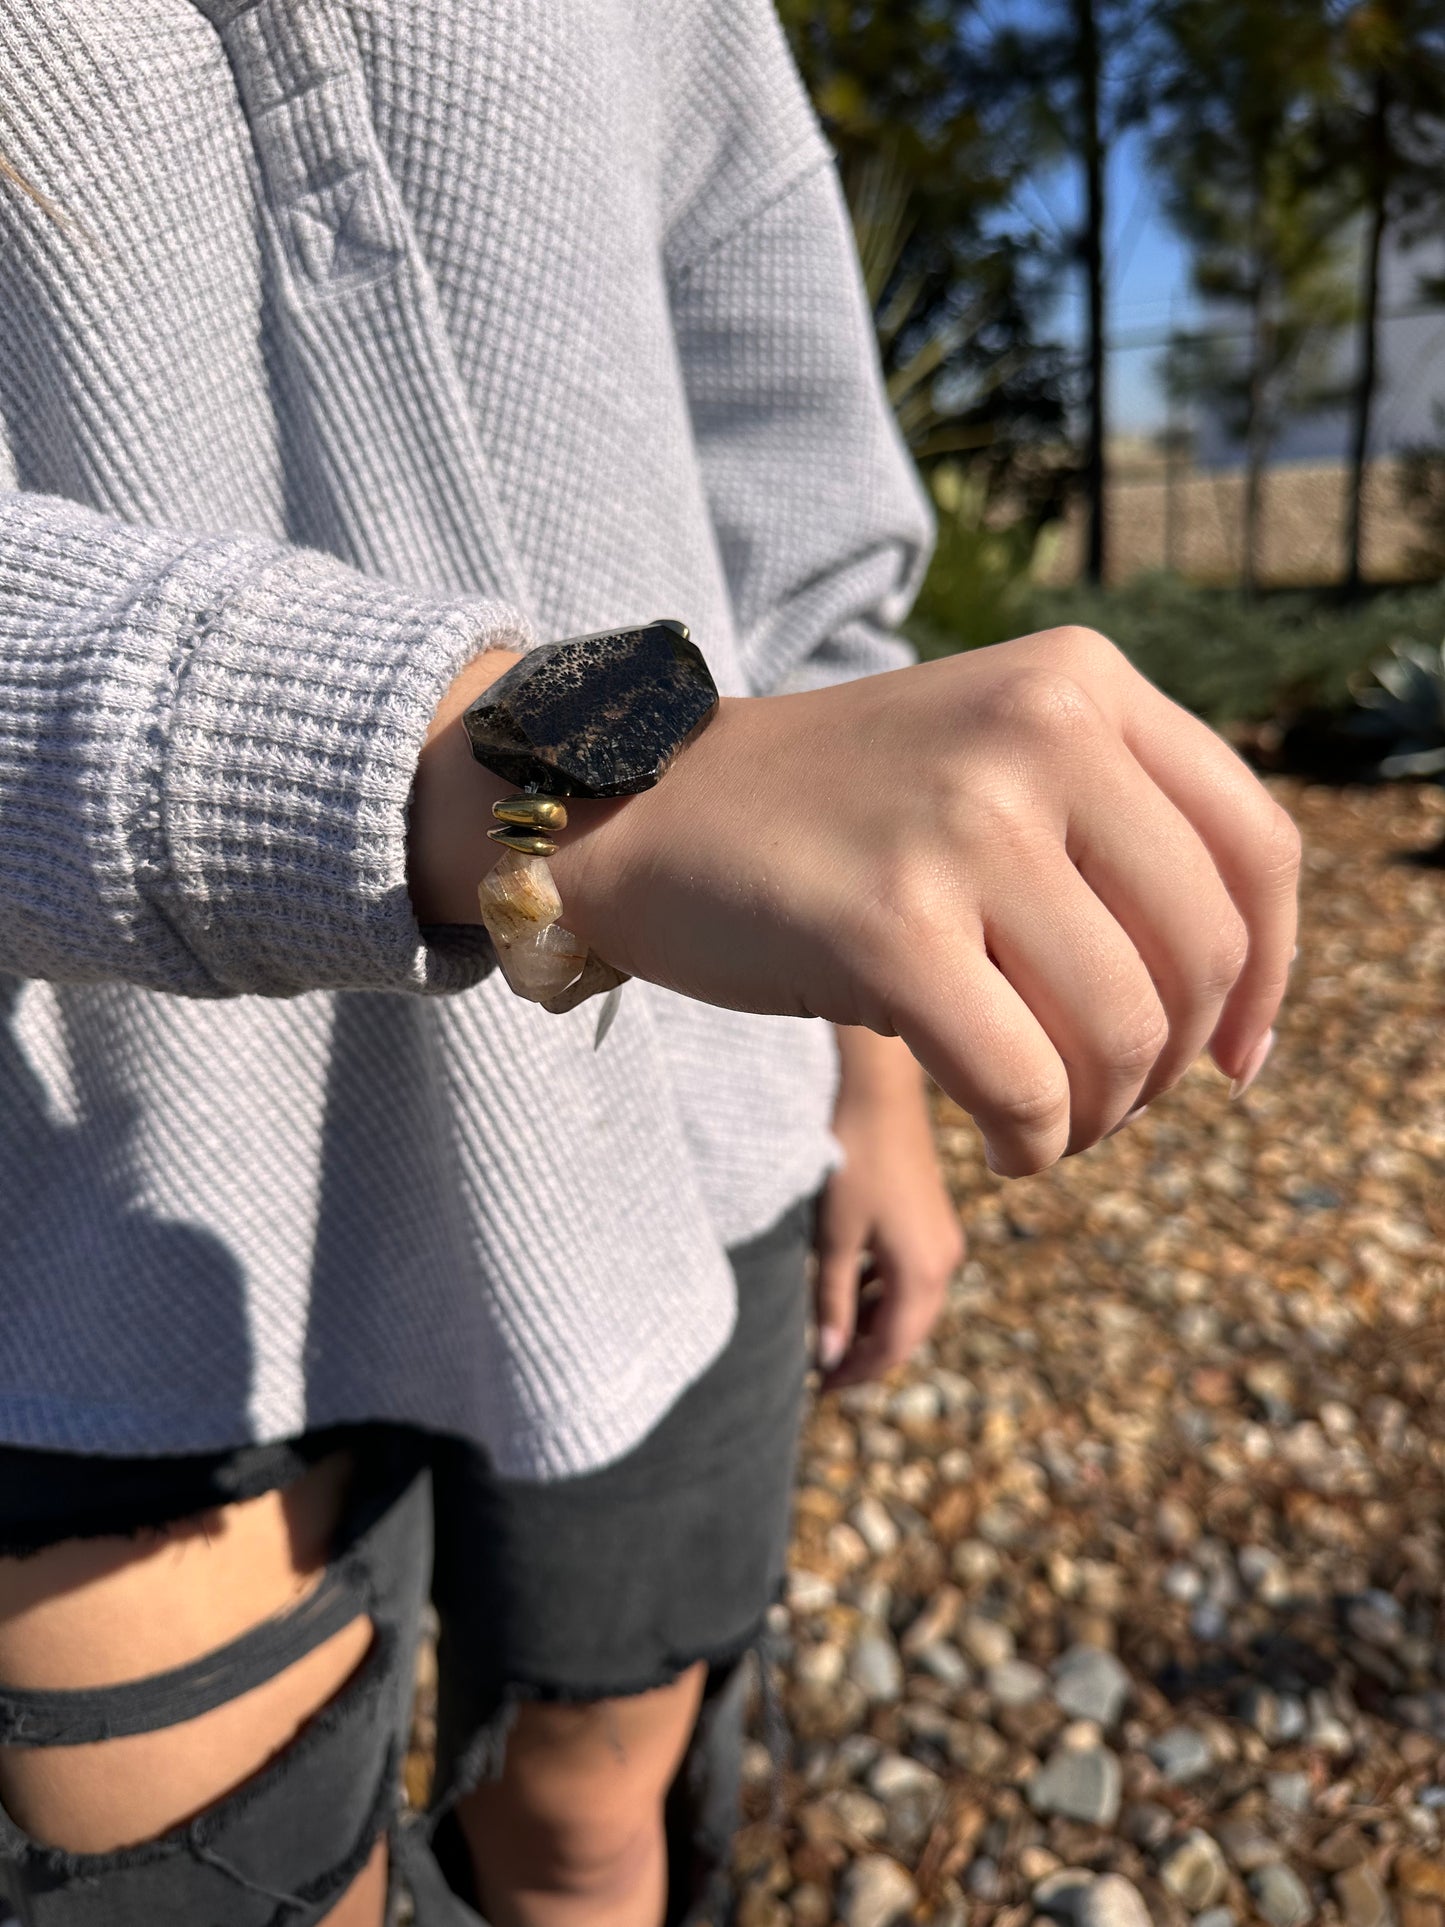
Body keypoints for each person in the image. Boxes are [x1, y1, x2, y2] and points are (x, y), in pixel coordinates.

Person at [0, 3, 1297, 1924]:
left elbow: (791, 475)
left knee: (592, 1826)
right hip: (109, 1173)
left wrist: (874, 1091)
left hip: (682, 1139)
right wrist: (559, 781)